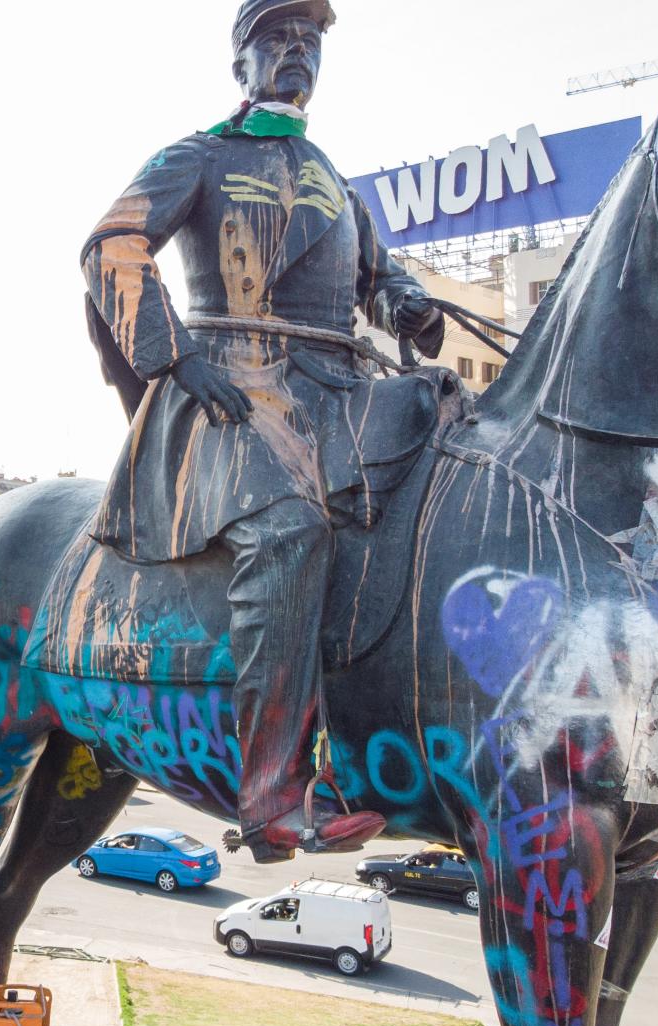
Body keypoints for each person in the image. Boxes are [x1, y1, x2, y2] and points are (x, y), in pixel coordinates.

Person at [78, 0, 443, 862]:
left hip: (337, 393)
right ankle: (274, 795)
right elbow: (112, 245)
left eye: (310, 40)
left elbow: (378, 279)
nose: (297, 50)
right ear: (239, 61)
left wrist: (409, 305)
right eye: (278, 37)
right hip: (232, 391)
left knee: (435, 488)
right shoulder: (198, 154)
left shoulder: (333, 180)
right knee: (291, 533)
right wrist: (174, 356)